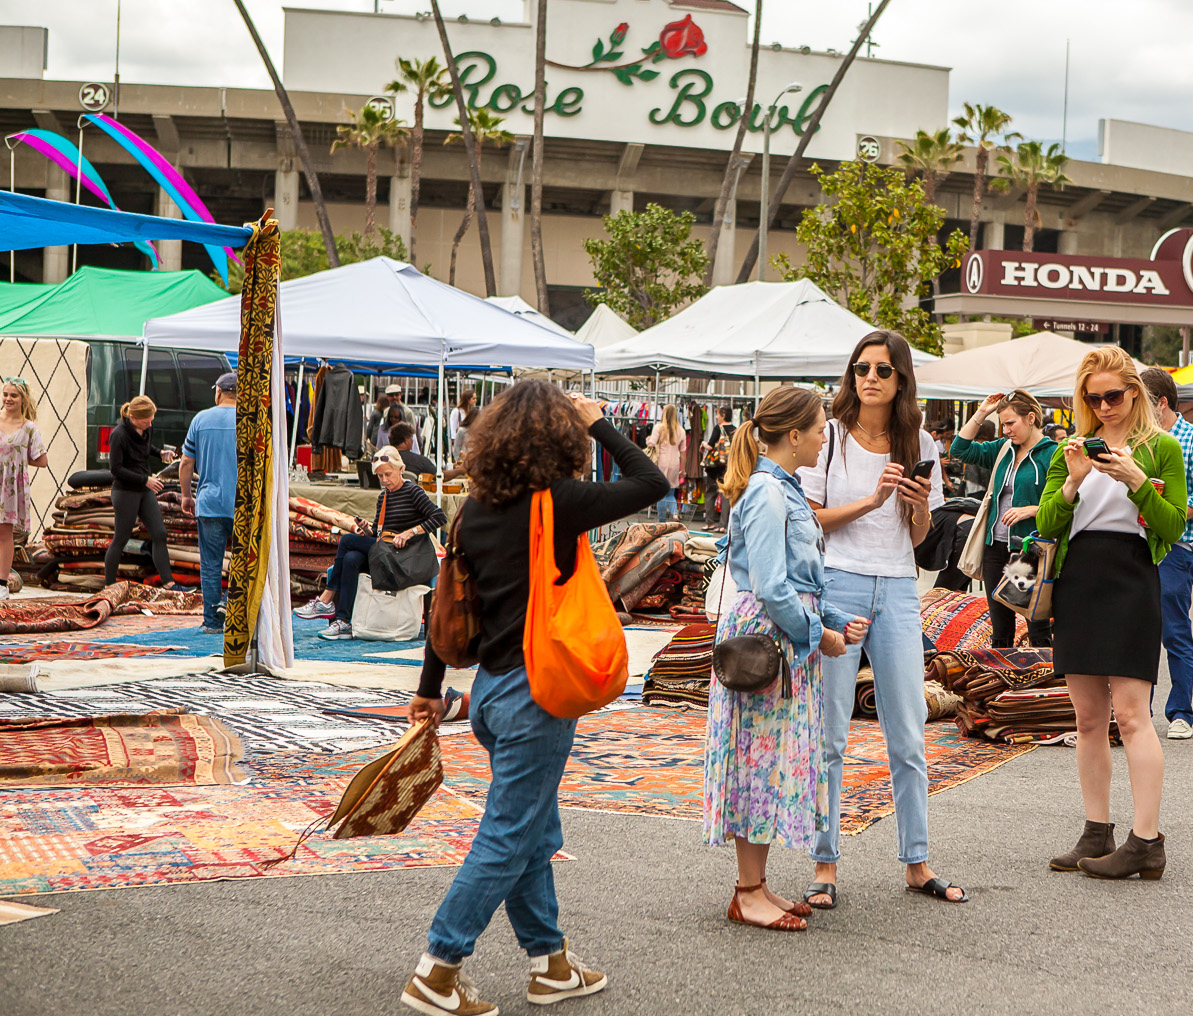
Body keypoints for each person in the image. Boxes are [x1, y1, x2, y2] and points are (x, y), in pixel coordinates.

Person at [401, 382, 667, 1014]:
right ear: (559, 440)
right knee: (509, 833)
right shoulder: (558, 502)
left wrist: (429, 692)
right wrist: (600, 423)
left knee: (532, 832)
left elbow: (447, 605)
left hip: (491, 692)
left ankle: (550, 964)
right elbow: (651, 481)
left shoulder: (473, 510)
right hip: (536, 692)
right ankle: (438, 968)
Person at [799, 330, 960, 907]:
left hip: (896, 587)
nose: (870, 377)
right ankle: (824, 865)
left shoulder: (919, 444)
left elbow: (919, 541)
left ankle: (917, 863)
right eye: (862, 367)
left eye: (883, 370)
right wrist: (871, 499)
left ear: (901, 379)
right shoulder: (831, 436)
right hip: (837, 580)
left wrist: (915, 507)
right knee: (831, 736)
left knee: (909, 733)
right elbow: (811, 519)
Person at [703, 387, 868, 930]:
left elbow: (799, 581)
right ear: (794, 435)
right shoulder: (770, 494)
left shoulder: (782, 490)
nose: (826, 436)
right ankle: (747, 891)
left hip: (780, 641)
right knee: (759, 761)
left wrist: (835, 621)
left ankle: (755, 886)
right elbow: (773, 587)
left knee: (767, 762)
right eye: (821, 428)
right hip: (770, 642)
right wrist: (818, 634)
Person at [1038, 345, 1186, 877]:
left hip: (1130, 577)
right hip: (1080, 580)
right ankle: (1095, 832)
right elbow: (1048, 525)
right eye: (1092, 397)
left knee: (1132, 715)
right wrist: (1075, 480)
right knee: (1088, 719)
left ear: (1135, 392)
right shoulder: (1069, 449)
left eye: (1113, 395)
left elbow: (1174, 528)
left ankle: (1146, 841)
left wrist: (1137, 481)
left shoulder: (1162, 447)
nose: (1104, 406)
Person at [293, 446, 446, 640]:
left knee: (347, 540)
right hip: (387, 551)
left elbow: (439, 517)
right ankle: (344, 621)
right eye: (380, 476)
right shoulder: (384, 497)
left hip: (406, 557)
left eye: (388, 474)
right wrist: (367, 530)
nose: (384, 480)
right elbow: (378, 533)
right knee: (351, 558)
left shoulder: (413, 491)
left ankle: (326, 599)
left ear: (401, 469)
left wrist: (409, 533)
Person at [949, 389, 1059, 647]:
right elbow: (959, 449)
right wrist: (982, 411)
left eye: (1011, 423)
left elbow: (1068, 501)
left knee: (1037, 625)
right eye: (1002, 424)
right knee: (1000, 628)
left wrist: (1033, 509)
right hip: (994, 546)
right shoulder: (1003, 449)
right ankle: (1003, 681)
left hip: (1029, 549)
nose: (1006, 430)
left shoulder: (1051, 453)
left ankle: (1040, 681)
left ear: (1031, 418)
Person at [1141, 367, 1193, 741]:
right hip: (1140, 544)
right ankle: (1139, 711)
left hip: (1176, 546)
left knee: (1174, 630)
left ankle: (1181, 712)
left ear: (1161, 403)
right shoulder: (1141, 438)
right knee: (1139, 631)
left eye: (1140, 400)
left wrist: (1161, 513)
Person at [104, 395, 184, 592]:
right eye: (146, 420)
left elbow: (145, 448)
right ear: (133, 417)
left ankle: (168, 582)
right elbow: (116, 469)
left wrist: (160, 454)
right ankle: (109, 584)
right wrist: (145, 480)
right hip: (125, 491)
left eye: (151, 419)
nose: (150, 423)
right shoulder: (119, 435)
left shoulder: (147, 429)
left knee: (159, 533)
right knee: (121, 537)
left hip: (144, 489)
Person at [179, 373, 238, 633]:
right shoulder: (250, 421)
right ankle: (235, 610)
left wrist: (186, 496)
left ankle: (212, 621)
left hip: (211, 502)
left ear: (218, 392)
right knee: (246, 560)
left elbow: (185, 463)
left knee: (211, 564)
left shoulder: (201, 420)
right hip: (243, 503)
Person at [0, 377, 47, 600]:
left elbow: (42, 460)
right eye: (6, 394)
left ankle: (1, 583)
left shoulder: (28, 428)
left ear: (22, 399)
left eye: (13, 395)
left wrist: (17, 461)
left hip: (8, 486)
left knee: (4, 534)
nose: (8, 399)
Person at [648, 404, 686, 523]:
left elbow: (651, 444)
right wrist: (683, 469)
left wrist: (648, 439)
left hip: (661, 462)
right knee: (671, 493)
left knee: (661, 494)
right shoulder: (681, 431)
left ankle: (662, 520)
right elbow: (683, 452)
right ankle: (674, 514)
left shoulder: (659, 428)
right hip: (675, 463)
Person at [700, 406, 737, 529]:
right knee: (726, 495)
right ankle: (723, 525)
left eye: (718, 415)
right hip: (727, 467)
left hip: (714, 466)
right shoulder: (735, 430)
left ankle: (709, 522)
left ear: (723, 415)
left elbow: (710, 446)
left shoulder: (718, 428)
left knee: (710, 493)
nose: (716, 417)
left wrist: (703, 444)